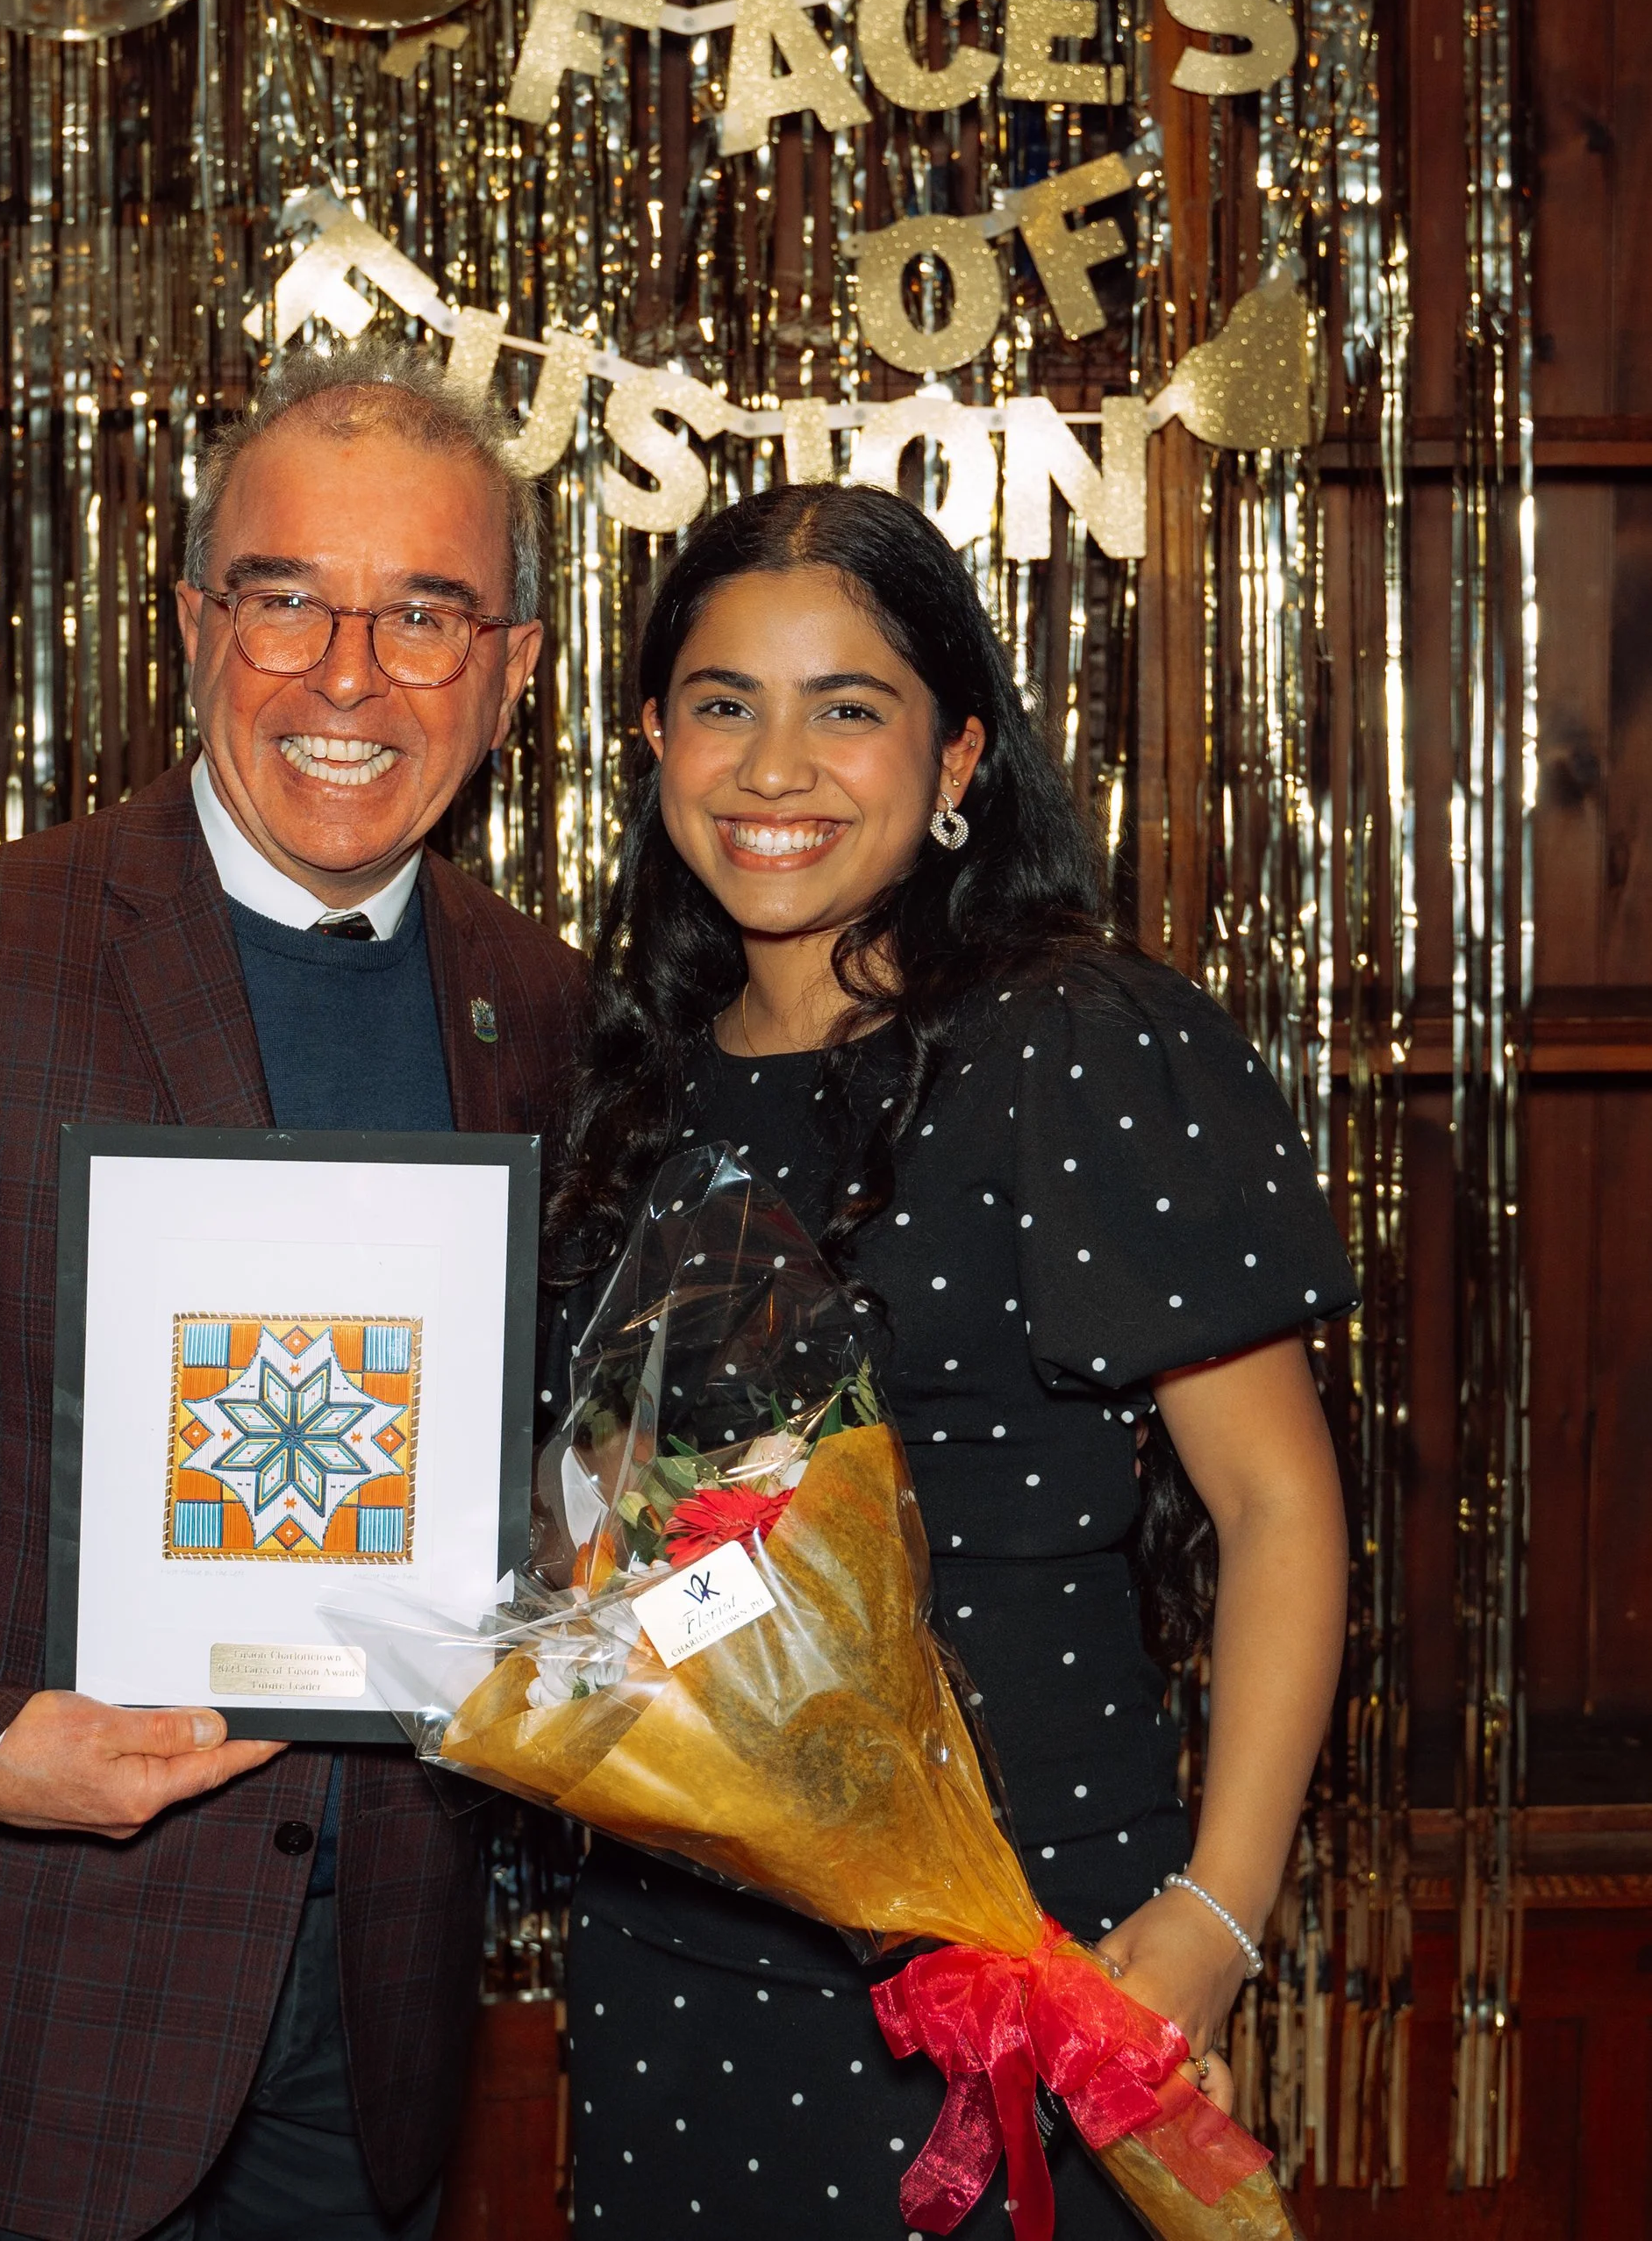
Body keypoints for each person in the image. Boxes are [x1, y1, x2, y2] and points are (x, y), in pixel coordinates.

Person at [0, 340, 588, 2241]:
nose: (347, 676)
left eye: (423, 614)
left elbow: (554, 1454)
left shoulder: (544, 1006)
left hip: (383, 2015)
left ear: (509, 673)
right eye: (286, 599)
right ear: (191, 622)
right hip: (34, 1992)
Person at [545, 482, 1354, 2235]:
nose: (774, 767)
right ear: (648, 737)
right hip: (666, 1957)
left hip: (1020, 1943)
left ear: (957, 753)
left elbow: (1277, 1500)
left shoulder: (1069, 1044)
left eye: (848, 706)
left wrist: (1218, 1912)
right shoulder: (617, 1089)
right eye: (719, 702)